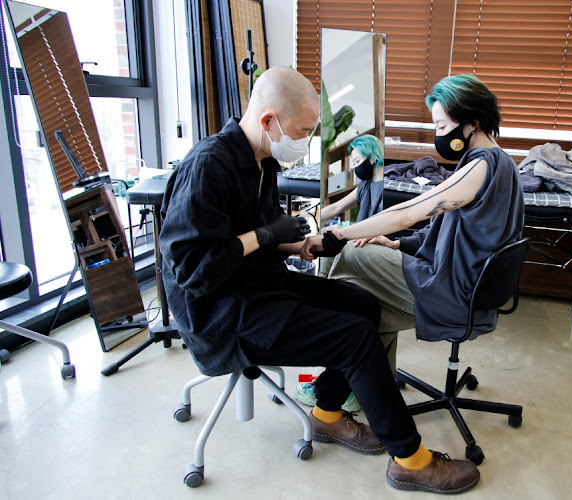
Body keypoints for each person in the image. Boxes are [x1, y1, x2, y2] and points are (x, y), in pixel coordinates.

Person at [159, 66, 480, 494]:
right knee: (354, 339)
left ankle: (326, 416)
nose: (305, 141)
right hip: (221, 313)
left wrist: (297, 247)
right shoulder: (208, 167)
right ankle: (411, 460)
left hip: (257, 284)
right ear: (269, 121)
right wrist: (267, 234)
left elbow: (258, 244)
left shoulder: (262, 162)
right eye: (302, 131)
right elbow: (194, 271)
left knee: (363, 305)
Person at [301, 72, 524, 359]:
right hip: (466, 285)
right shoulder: (502, 163)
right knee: (366, 308)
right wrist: (398, 244)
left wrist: (338, 235)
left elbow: (406, 214)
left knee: (349, 256)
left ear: (473, 122)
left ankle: (321, 355)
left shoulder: (483, 166)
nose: (439, 135)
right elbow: (445, 229)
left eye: (442, 126)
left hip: (452, 291)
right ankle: (362, 391)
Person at [296, 134, 386, 412]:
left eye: (359, 161)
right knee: (329, 235)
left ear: (374, 157)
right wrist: (305, 218)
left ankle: (325, 286)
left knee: (336, 246)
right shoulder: (365, 185)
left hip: (377, 249)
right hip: (360, 244)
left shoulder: (385, 187)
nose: (356, 166)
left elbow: (383, 228)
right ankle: (323, 284)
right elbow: (334, 207)